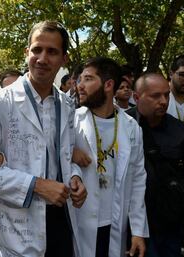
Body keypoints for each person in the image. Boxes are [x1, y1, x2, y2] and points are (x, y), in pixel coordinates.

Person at [0, 21, 87, 257]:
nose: (42, 58)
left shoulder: (67, 104)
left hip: (61, 217)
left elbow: (64, 154)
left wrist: (75, 177)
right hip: (19, 225)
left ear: (64, 59)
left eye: (52, 52)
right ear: (27, 53)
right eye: (37, 49)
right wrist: (37, 185)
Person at [127, 73, 184, 257]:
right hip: (132, 222)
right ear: (137, 97)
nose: (163, 101)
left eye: (166, 95)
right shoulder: (120, 127)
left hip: (169, 221)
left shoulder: (182, 133)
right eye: (155, 96)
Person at [73, 57, 148, 257]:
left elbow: (138, 180)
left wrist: (138, 231)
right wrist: (70, 154)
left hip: (114, 223)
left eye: (88, 79)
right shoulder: (72, 122)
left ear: (108, 84)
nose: (80, 85)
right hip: (80, 222)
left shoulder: (131, 127)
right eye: (80, 79)